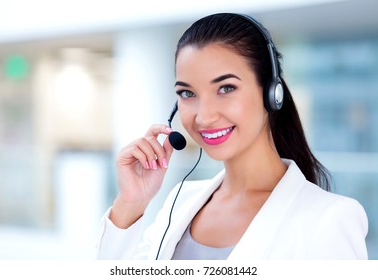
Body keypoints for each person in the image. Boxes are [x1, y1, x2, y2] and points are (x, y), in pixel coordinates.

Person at [96, 13, 368, 260]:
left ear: (271, 94)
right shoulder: (180, 201)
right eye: (188, 93)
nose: (204, 116)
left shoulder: (329, 218)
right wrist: (130, 204)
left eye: (226, 88)